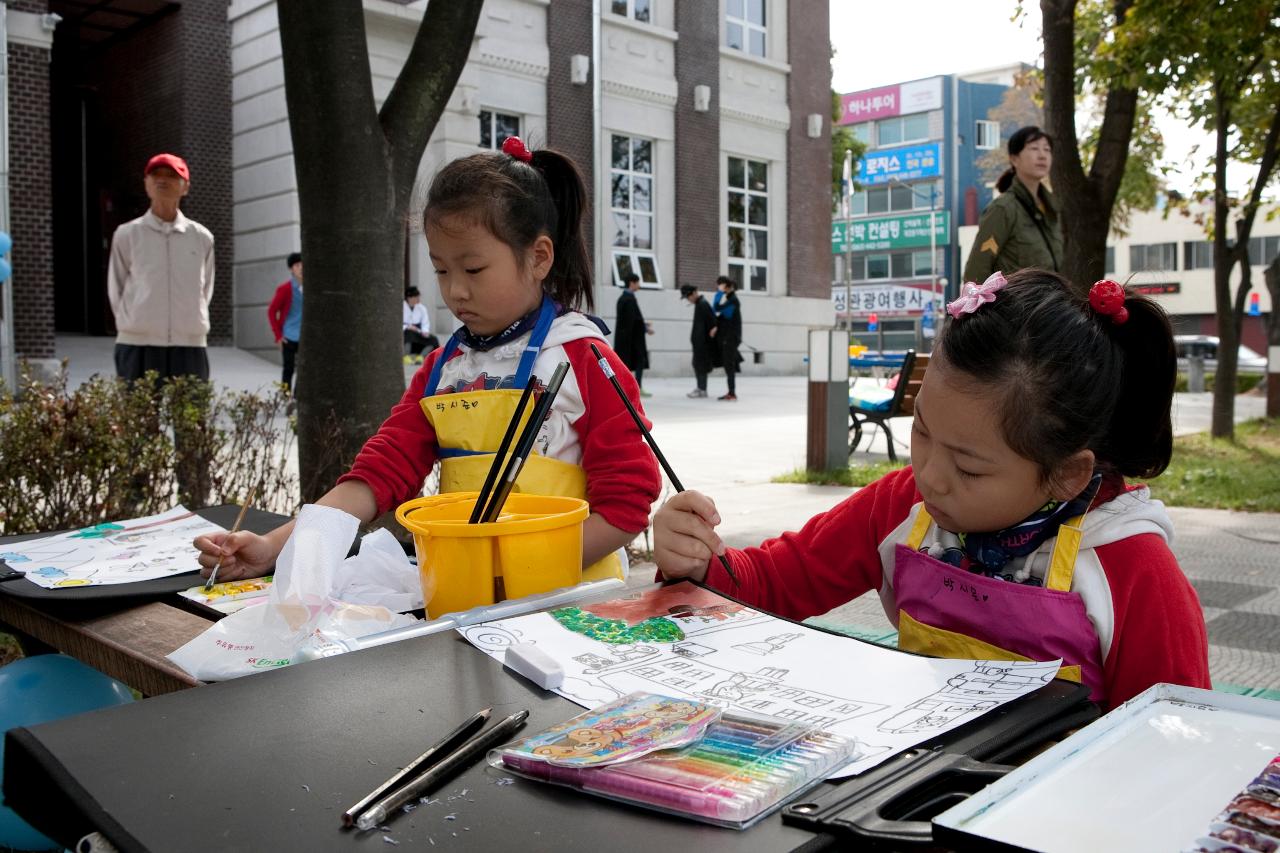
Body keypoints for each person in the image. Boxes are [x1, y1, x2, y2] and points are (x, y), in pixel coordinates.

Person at [652, 270, 1210, 711]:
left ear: (1067, 473)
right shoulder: (905, 505)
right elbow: (775, 582)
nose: (930, 475)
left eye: (968, 467)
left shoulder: (1132, 570)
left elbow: (1170, 745)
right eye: (920, 430)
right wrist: (699, 561)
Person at [194, 136, 661, 586]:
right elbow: (374, 478)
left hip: (571, 599)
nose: (455, 290)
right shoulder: (444, 368)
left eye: (473, 269)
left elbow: (626, 505)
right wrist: (275, 548)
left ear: (538, 257)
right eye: (441, 270)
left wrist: (523, 567)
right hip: (469, 592)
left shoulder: (584, 358)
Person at [107, 153, 216, 382]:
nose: (162, 181)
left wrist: (190, 321)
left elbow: (205, 288)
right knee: (138, 417)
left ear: (185, 187)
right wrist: (134, 322)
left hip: (189, 344)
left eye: (171, 176)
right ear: (146, 184)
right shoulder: (127, 234)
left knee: (190, 415)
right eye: (155, 175)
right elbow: (115, 286)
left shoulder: (201, 238)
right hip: (137, 342)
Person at [963, 126, 1063, 283]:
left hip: (1048, 304)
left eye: (1047, 149)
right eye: (1034, 148)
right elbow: (977, 270)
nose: (1042, 155)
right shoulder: (1003, 208)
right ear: (1014, 159)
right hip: (1016, 305)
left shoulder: (1051, 209)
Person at [267, 252, 303, 391]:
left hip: (305, 336)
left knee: (304, 370)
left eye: (303, 265)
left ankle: (297, 397)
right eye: (297, 265)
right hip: (288, 336)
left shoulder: (311, 290)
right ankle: (285, 397)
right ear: (291, 269)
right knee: (288, 368)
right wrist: (278, 336)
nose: (301, 268)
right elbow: (271, 311)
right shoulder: (285, 289)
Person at [613, 272, 653, 397]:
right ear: (632, 283)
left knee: (627, 363)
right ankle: (637, 388)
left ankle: (627, 388)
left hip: (625, 339)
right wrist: (645, 327)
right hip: (633, 340)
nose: (639, 285)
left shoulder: (623, 298)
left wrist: (644, 326)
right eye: (637, 282)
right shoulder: (629, 299)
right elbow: (634, 320)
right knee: (639, 361)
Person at [710, 275, 743, 401]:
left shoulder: (733, 300)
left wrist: (719, 293)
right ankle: (731, 392)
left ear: (726, 286)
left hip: (731, 338)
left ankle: (732, 393)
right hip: (729, 337)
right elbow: (723, 316)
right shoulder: (730, 299)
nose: (719, 287)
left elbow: (716, 308)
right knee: (728, 364)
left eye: (720, 285)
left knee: (729, 365)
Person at [680, 284, 715, 398]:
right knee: (697, 365)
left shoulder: (703, 304)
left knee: (701, 365)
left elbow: (712, 323)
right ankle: (701, 388)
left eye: (688, 296)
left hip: (703, 343)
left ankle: (702, 389)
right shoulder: (699, 304)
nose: (688, 299)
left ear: (694, 293)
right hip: (699, 343)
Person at [403, 286, 439, 363]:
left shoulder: (422, 308)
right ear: (410, 297)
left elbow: (425, 323)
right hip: (405, 333)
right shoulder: (401, 307)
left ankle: (421, 357)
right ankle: (405, 356)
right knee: (409, 333)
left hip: (418, 333)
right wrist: (407, 327)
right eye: (416, 297)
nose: (418, 299)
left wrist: (425, 331)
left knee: (433, 339)